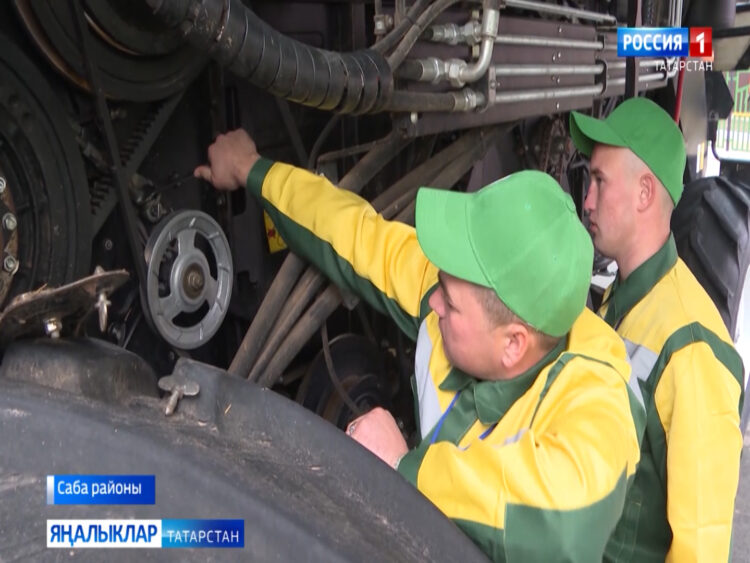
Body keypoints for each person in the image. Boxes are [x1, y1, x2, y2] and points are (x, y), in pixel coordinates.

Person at [196, 129, 642, 561]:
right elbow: (355, 233)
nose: (433, 302)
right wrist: (252, 169)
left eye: (450, 301)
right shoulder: (462, 291)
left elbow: (562, 523)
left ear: (513, 344)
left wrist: (403, 468)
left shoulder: (600, 396)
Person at [569, 97, 745, 562]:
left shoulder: (693, 348)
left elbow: (700, 548)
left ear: (645, 192)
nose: (587, 200)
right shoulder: (619, 300)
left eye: (600, 181)